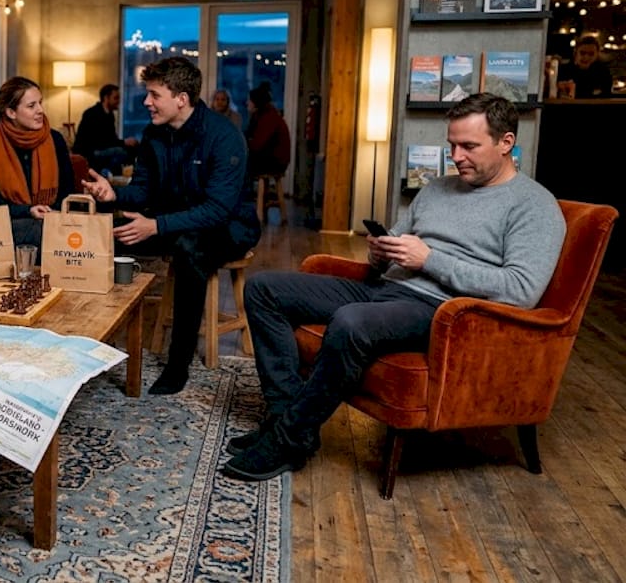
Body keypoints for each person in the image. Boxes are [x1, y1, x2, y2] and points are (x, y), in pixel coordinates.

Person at [222, 93, 565, 481]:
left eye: (469, 146)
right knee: (263, 288)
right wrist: (380, 252)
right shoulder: (437, 188)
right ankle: (284, 419)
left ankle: (288, 441)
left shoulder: (534, 206)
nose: (457, 156)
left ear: (506, 142)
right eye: (452, 145)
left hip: (444, 310)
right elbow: (399, 245)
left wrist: (429, 259)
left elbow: (521, 290)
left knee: (352, 321)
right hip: (385, 288)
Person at [83, 58, 261, 395]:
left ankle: (178, 365)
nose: (146, 102)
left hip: (228, 227)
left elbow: (217, 210)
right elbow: (143, 191)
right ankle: (93, 341)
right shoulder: (154, 134)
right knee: (103, 236)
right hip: (171, 222)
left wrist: (156, 226)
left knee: (189, 249)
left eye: (154, 95)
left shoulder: (224, 136)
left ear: (181, 98)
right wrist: (113, 195)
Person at [0, 75, 76, 250]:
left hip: (53, 217)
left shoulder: (55, 139)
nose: (40, 110)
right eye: (31, 106)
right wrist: (28, 210)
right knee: (37, 232)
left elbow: (68, 190)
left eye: (40, 103)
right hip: (9, 220)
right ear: (11, 113)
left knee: (52, 231)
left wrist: (50, 212)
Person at [72, 83, 138, 174]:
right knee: (120, 151)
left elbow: (111, 139)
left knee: (132, 148)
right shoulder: (92, 114)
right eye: (116, 98)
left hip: (102, 148)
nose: (119, 101)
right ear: (106, 98)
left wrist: (125, 143)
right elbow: (100, 141)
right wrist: (124, 142)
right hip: (89, 151)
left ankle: (128, 175)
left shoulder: (110, 115)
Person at [245, 84, 291, 177]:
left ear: (256, 102)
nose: (247, 103)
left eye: (249, 100)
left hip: (276, 161)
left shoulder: (268, 117)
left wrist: (246, 142)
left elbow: (257, 144)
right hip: (270, 157)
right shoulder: (260, 115)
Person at [557, 34, 613, 99]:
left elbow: (606, 98)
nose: (586, 57)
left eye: (591, 54)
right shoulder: (564, 71)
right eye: (582, 53)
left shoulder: (603, 73)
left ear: (597, 54)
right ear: (575, 52)